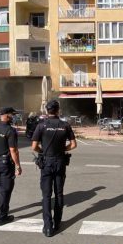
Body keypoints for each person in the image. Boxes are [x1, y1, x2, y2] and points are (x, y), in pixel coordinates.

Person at [31, 99, 77, 237]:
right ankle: (57, 223)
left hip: (46, 162)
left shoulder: (41, 125)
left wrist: (43, 152)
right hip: (60, 161)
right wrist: (63, 149)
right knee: (59, 193)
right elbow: (74, 145)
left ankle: (48, 226)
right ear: (58, 110)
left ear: (47, 110)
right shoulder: (65, 125)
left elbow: (34, 146)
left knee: (46, 195)